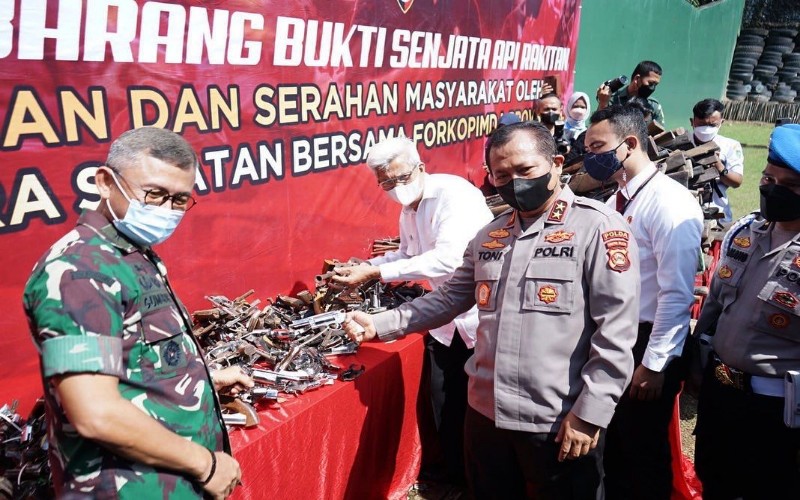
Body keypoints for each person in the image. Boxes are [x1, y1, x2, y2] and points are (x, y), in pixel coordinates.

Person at [343, 121, 641, 499]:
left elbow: (615, 332)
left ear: (556, 164)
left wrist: (590, 412)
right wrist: (380, 324)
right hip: (486, 417)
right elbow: (449, 298)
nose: (514, 182)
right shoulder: (489, 237)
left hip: (556, 420)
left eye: (525, 170)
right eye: (502, 175)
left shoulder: (596, 228)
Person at [23, 127, 253, 499]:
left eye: (180, 199)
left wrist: (201, 381)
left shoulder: (129, 253)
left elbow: (136, 357)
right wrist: (206, 464)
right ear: (105, 182)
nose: (166, 209)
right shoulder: (79, 270)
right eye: (154, 193)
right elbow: (96, 414)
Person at [331, 136, 493, 486]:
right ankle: (451, 477)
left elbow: (448, 259)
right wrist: (366, 266)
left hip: (477, 316)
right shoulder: (409, 209)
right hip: (443, 322)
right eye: (386, 183)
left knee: (477, 411)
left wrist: (375, 273)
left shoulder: (454, 195)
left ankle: (476, 480)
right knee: (442, 402)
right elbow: (407, 254)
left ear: (420, 167)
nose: (396, 187)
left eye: (402, 177)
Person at [583, 105, 703, 499]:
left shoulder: (669, 203)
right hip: (614, 337)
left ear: (630, 143)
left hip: (647, 341)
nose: (589, 157)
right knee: (615, 445)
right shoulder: (613, 201)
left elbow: (676, 293)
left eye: (597, 147)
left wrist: (654, 364)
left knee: (642, 451)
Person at [692, 123, 800, 499]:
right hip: (720, 394)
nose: (773, 189)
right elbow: (715, 305)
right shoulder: (745, 231)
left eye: (790, 186)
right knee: (714, 481)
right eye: (769, 179)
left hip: (777, 409)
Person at [690, 98, 744, 224]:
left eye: (712, 125)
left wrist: (719, 167)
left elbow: (737, 182)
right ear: (692, 122)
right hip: (684, 212)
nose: (706, 129)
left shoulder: (730, 146)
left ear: (721, 122)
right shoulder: (680, 143)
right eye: (702, 124)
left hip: (717, 213)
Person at [597, 60, 665, 124]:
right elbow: (597, 127)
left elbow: (659, 131)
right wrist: (603, 103)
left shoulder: (654, 106)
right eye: (651, 83)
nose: (653, 88)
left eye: (655, 85)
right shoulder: (611, 99)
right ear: (637, 79)